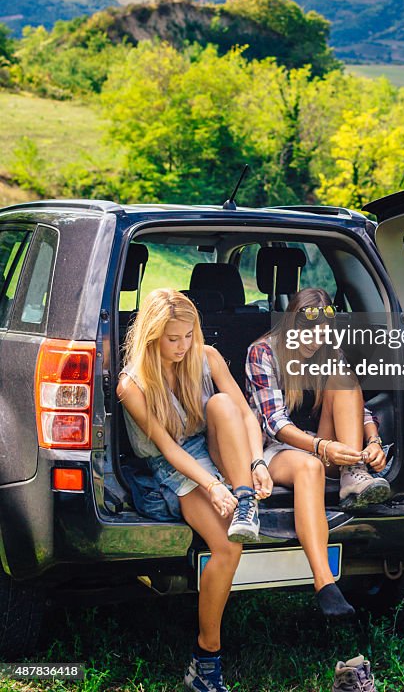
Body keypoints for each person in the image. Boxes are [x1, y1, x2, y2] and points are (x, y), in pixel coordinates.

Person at [117, 288, 273, 692]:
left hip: (214, 444)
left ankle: (245, 501)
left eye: (189, 336)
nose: (183, 346)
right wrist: (211, 485)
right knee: (228, 547)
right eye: (173, 339)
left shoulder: (205, 357)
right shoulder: (132, 384)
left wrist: (257, 463)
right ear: (152, 335)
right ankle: (205, 661)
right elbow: (168, 449)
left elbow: (244, 415)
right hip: (172, 465)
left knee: (222, 403)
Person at [245, 287, 391, 619]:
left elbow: (360, 409)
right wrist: (323, 447)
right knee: (310, 467)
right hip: (271, 449)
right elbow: (273, 423)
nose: (315, 340)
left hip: (321, 445)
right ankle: (325, 584)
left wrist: (373, 442)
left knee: (344, 379)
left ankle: (355, 473)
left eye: (324, 332)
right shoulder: (262, 352)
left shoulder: (328, 350)